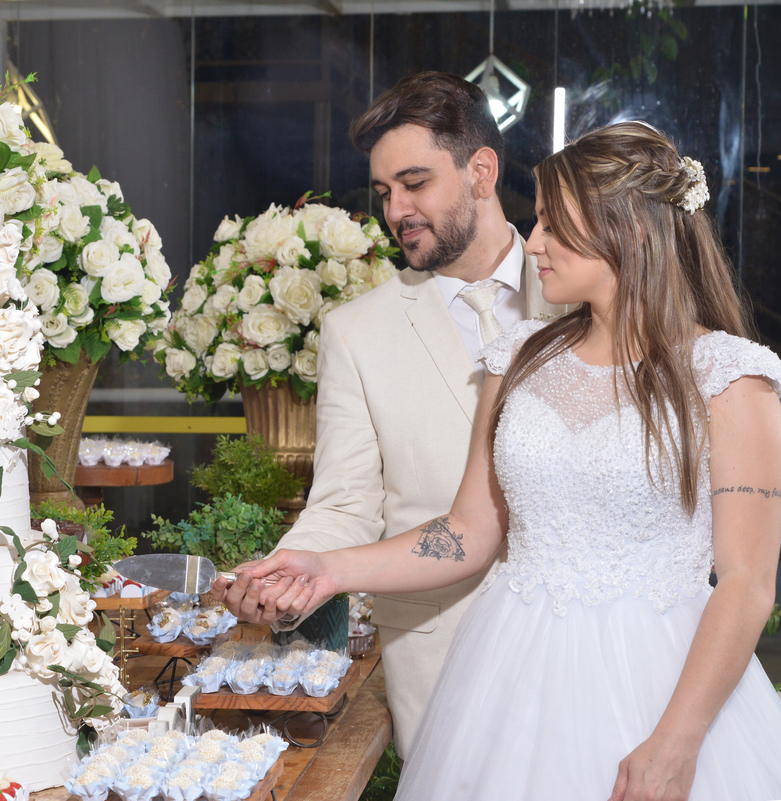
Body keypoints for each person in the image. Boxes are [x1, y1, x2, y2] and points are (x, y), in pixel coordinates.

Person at [239, 122, 781, 800]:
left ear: (634, 232)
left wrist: (676, 742)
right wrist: (328, 567)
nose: (533, 243)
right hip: (509, 677)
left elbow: (747, 582)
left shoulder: (729, 378)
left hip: (664, 682)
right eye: (537, 222)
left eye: (556, 226)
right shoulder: (521, 356)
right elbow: (469, 532)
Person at [213, 71, 566, 758]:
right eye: (383, 192)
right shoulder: (356, 331)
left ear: (481, 172)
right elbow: (344, 503)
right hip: (444, 671)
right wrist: (288, 572)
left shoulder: (581, 296)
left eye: (415, 182)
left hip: (582, 658)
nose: (396, 208)